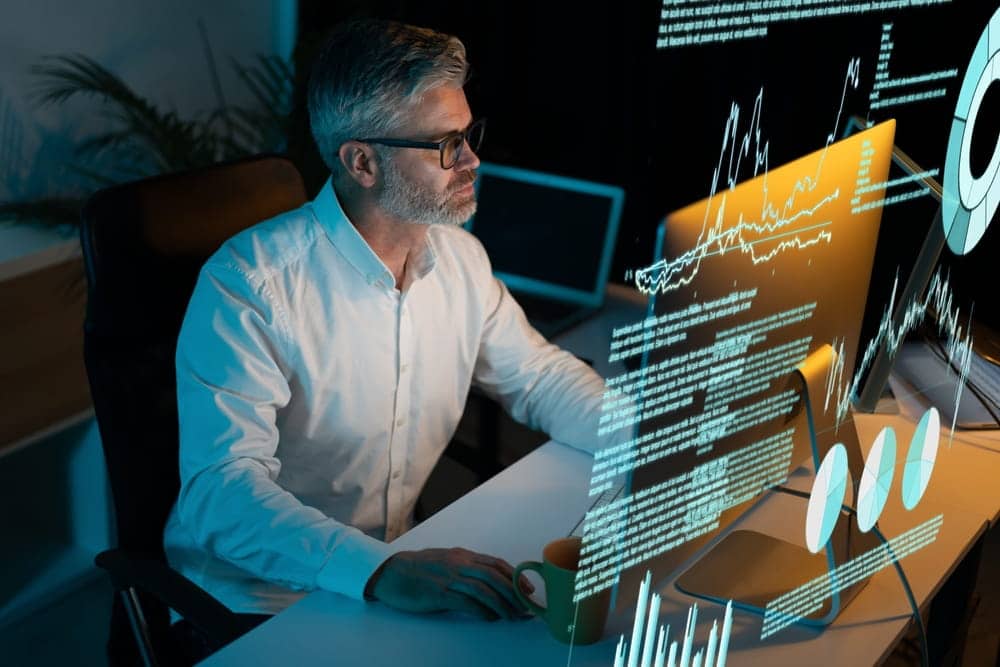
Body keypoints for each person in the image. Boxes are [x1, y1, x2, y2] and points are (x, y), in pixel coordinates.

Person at [163, 18, 615, 629]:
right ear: (363, 162)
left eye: (469, 133)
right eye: (447, 145)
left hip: (396, 571)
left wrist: (654, 438)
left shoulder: (460, 257)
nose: (473, 160)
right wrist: (377, 571)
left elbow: (537, 375)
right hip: (262, 603)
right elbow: (220, 496)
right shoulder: (249, 286)